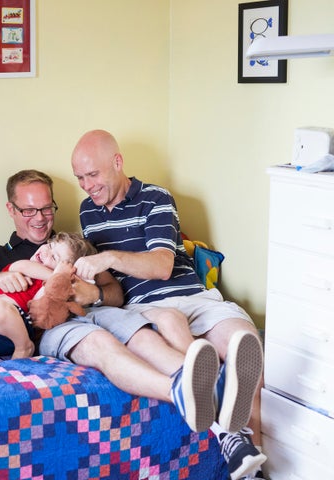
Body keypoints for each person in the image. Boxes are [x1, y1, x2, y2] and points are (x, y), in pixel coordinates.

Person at [0, 169, 251, 438]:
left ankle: (210, 384)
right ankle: (198, 391)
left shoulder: (72, 246)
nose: (40, 217)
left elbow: (115, 294)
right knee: (100, 341)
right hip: (51, 327)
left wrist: (93, 293)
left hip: (94, 313)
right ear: (11, 209)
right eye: (29, 210)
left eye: (47, 208)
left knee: (141, 333)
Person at [69, 129, 266, 480]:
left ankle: (255, 464)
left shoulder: (156, 197)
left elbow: (161, 265)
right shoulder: (88, 212)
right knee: (172, 322)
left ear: (117, 162)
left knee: (245, 346)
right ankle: (231, 435)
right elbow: (110, 286)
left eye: (93, 174)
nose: (87, 185)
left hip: (196, 296)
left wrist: (108, 257)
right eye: (80, 177)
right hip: (144, 306)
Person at [0, 231, 94, 359]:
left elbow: (41, 305)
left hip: (10, 333)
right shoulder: (24, 265)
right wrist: (58, 275)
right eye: (50, 246)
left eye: (54, 257)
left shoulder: (46, 286)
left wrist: (62, 279)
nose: (46, 252)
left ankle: (24, 346)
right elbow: (23, 266)